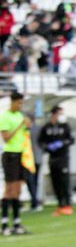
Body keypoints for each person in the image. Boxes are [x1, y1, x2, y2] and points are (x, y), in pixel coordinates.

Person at [0, 90, 30, 235]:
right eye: (19, 103)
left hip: (20, 155)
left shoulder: (20, 116)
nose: (20, 105)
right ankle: (4, 223)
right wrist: (19, 126)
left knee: (17, 190)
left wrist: (27, 126)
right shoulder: (5, 116)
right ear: (12, 102)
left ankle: (17, 222)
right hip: (10, 155)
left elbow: (24, 136)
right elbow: (6, 138)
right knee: (9, 189)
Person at [38, 105, 74, 216]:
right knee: (55, 182)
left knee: (64, 181)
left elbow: (71, 139)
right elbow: (40, 141)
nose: (61, 116)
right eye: (59, 113)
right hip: (52, 158)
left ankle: (67, 204)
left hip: (63, 158)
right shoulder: (46, 127)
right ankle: (60, 205)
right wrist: (47, 147)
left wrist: (62, 143)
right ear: (54, 114)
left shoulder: (65, 127)